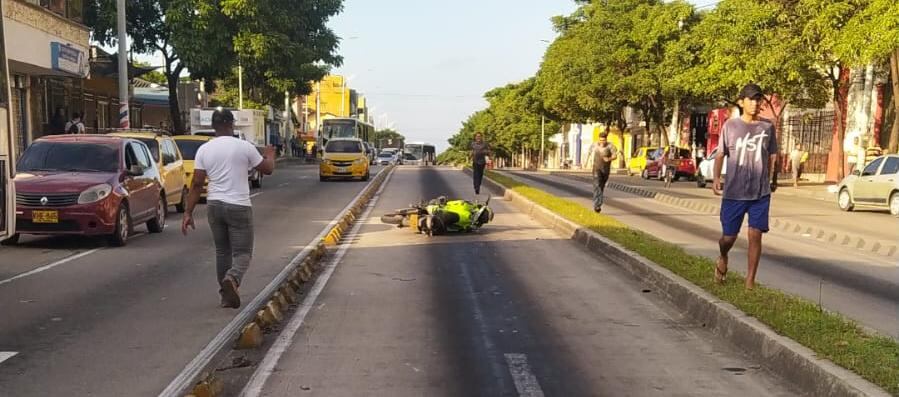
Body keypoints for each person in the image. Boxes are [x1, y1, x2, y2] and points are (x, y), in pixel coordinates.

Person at [181, 109, 276, 308]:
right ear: (231, 124)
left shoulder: (204, 150)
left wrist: (188, 212)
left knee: (222, 251)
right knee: (243, 253)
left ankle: (225, 297)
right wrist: (269, 155)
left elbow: (197, 183)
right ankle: (232, 279)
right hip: (238, 205)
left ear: (213, 126)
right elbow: (267, 169)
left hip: (214, 205)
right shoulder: (244, 147)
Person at [713, 83, 778, 290]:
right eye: (751, 99)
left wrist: (771, 179)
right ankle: (723, 255)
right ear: (741, 102)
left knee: (755, 234)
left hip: (760, 192)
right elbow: (721, 153)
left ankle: (750, 281)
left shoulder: (767, 127)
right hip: (734, 191)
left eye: (758, 99)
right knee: (728, 238)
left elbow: (773, 155)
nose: (755, 103)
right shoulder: (730, 126)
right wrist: (716, 178)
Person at [585, 132, 618, 212]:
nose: (602, 142)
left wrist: (609, 159)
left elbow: (615, 156)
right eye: (600, 140)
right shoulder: (594, 145)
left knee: (601, 186)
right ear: (598, 139)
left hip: (605, 170)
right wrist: (585, 163)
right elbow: (589, 153)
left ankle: (598, 202)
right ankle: (597, 205)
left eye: (603, 140)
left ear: (606, 139)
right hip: (596, 168)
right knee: (597, 185)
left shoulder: (611, 146)